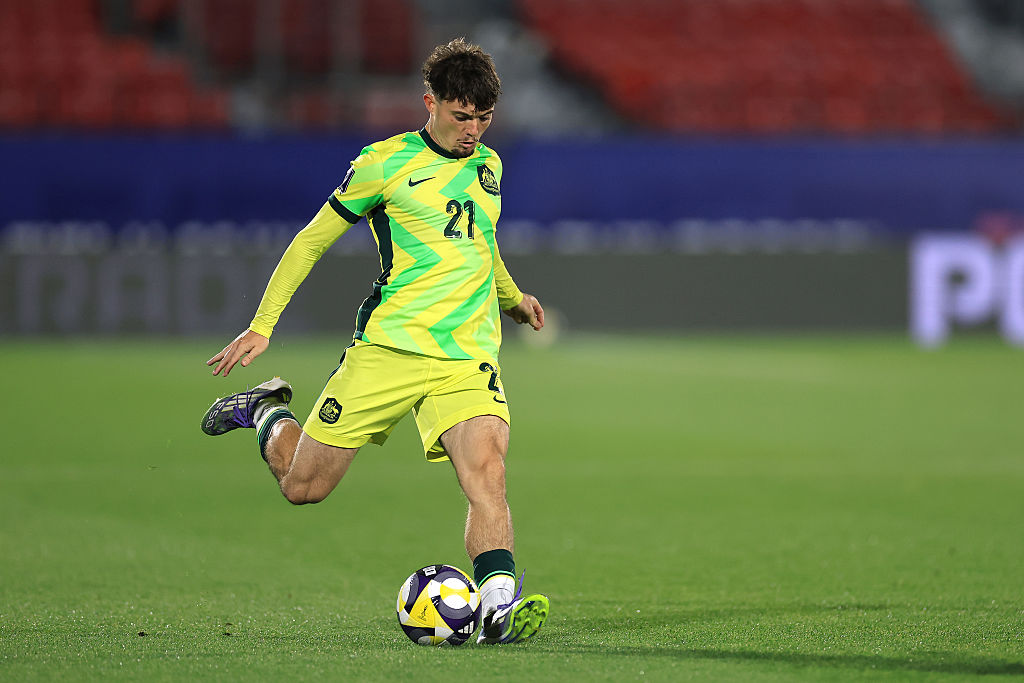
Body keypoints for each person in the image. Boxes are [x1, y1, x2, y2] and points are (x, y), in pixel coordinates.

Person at [200, 38, 548, 645]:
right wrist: (263, 323)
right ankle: (265, 413)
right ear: (430, 102)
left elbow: (479, 245)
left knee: (486, 470)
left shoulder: (489, 166)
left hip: (465, 356)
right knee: (304, 487)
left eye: (483, 118)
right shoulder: (383, 164)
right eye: (461, 116)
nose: (472, 131)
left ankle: (497, 604)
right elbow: (311, 241)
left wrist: (512, 297)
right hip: (388, 351)